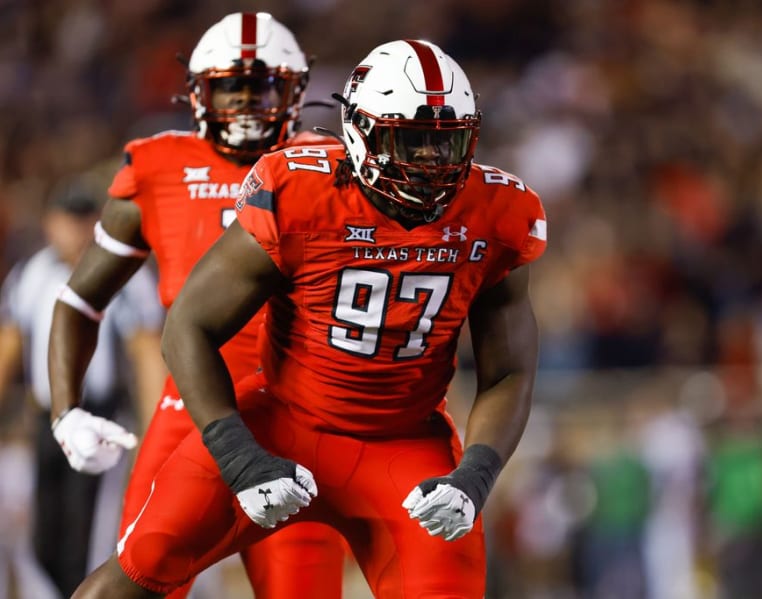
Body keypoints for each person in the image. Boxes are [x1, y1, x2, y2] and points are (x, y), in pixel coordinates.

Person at [68, 38, 547, 598]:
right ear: (361, 131)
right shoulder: (298, 191)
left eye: (447, 144)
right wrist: (238, 455)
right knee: (136, 575)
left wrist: (476, 474)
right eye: (410, 141)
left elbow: (509, 370)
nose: (429, 163)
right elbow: (189, 326)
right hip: (279, 425)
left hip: (405, 447)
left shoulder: (500, 212)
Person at [47, 11, 345, 599]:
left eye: (262, 87)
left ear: (294, 90)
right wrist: (66, 410)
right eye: (230, 86)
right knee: (131, 588)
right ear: (197, 93)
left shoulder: (335, 168)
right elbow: (81, 300)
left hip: (297, 418)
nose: (245, 103)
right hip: (187, 410)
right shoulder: (157, 167)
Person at [0, 180, 165, 598]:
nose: (73, 231)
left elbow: (145, 351)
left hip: (101, 418)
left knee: (91, 535)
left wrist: (156, 433)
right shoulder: (31, 272)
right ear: (49, 223)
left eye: (82, 220)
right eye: (66, 220)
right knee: (43, 534)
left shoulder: (123, 275)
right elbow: (11, 342)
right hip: (45, 420)